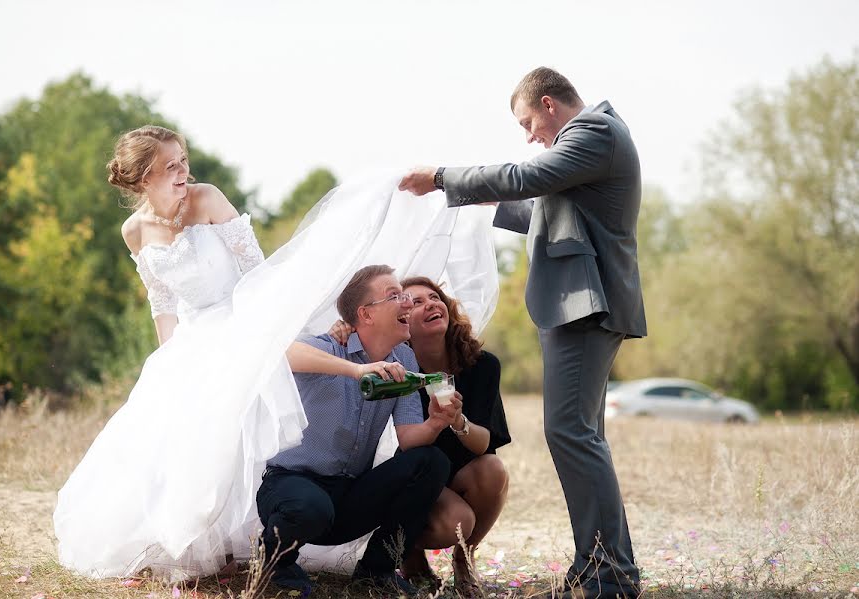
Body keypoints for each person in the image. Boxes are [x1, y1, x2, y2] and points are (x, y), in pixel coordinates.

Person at [399, 67, 646, 599]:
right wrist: (487, 204)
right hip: (580, 304)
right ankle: (601, 564)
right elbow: (542, 209)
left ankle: (610, 574)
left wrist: (443, 177)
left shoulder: (594, 132)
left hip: (586, 306)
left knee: (572, 435)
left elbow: (527, 177)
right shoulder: (593, 144)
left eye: (528, 122)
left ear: (551, 104)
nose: (529, 135)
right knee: (582, 436)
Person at [53, 126, 308, 580]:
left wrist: (263, 334)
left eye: (183, 161)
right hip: (190, 339)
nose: (183, 173)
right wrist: (168, 359)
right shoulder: (134, 231)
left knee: (232, 431)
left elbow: (259, 272)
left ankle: (251, 542)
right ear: (142, 178)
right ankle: (186, 544)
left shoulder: (207, 198)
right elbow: (162, 300)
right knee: (171, 434)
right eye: (170, 167)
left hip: (241, 325)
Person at [257, 265, 458, 597]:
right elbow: (281, 354)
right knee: (311, 507)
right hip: (291, 488)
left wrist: (436, 423)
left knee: (431, 461)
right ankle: (276, 562)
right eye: (396, 296)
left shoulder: (404, 360)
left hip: (348, 497)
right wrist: (358, 369)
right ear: (365, 314)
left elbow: (409, 438)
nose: (407, 303)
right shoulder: (331, 347)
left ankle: (376, 571)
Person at [401, 276, 511, 597]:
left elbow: (484, 444)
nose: (431, 303)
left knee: (494, 470)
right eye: (416, 302)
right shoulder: (395, 370)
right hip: (413, 478)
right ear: (401, 323)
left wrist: (457, 420)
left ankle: (463, 562)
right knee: (455, 520)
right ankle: (410, 555)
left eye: (434, 297)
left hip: (461, 473)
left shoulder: (482, 365)